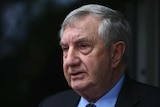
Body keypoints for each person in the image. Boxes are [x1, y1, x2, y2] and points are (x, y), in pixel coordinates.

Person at [38, 4, 160, 107]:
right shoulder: (51, 104)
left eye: (83, 46)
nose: (70, 60)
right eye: (65, 48)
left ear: (115, 54)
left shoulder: (154, 101)